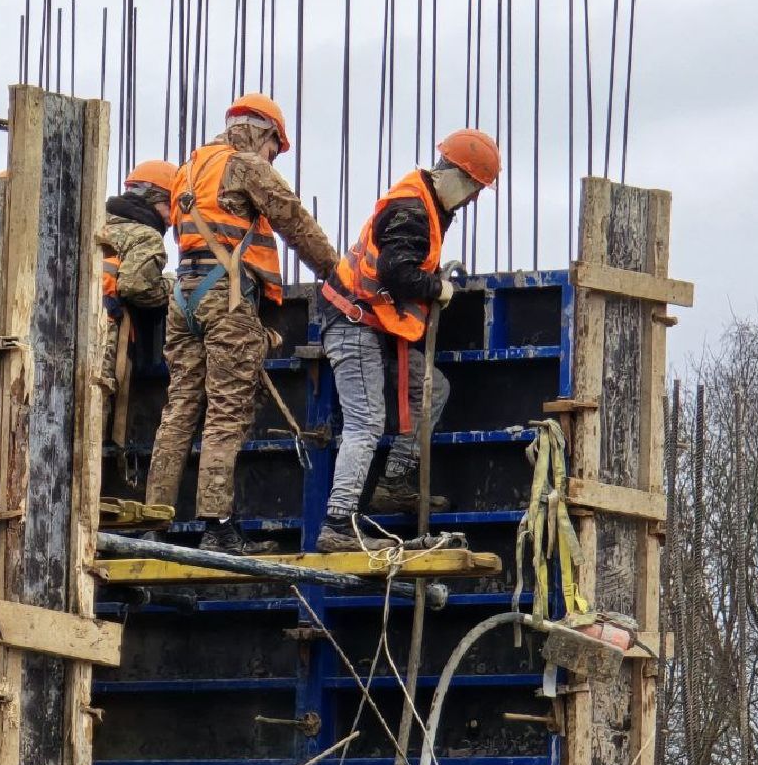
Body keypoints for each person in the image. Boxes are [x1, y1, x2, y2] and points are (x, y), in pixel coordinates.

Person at [144, 93, 339, 554]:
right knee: (226, 414)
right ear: (261, 131)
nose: (273, 156)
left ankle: (155, 524)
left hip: (183, 296)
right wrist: (335, 271)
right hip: (225, 298)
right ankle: (218, 526)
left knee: (178, 411)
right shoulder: (245, 166)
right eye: (275, 145)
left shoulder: (189, 168)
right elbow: (295, 222)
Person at [314, 129, 501, 552]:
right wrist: (438, 289)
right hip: (353, 322)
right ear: (454, 175)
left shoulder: (428, 207)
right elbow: (397, 273)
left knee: (432, 388)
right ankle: (337, 524)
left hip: (378, 327)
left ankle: (395, 480)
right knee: (364, 422)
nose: (472, 199)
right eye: (473, 187)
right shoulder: (411, 209)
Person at [99, 160, 178, 400]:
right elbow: (136, 287)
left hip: (67, 329)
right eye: (170, 208)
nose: (172, 220)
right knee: (94, 414)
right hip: (102, 339)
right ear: (155, 200)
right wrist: (174, 286)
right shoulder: (146, 236)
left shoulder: (96, 220)